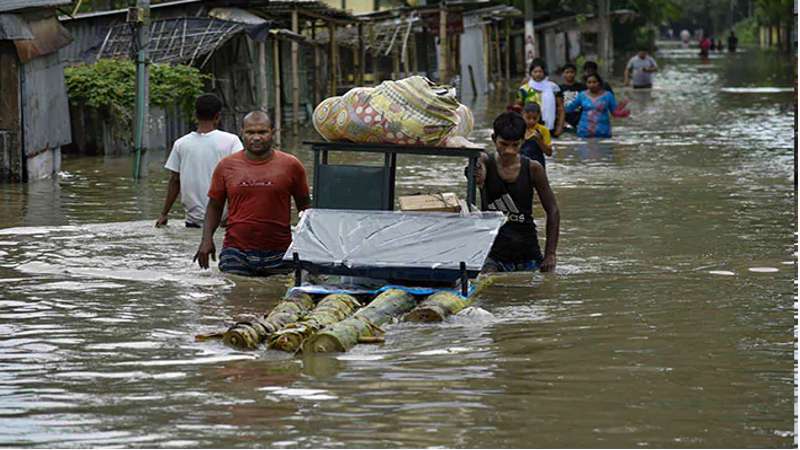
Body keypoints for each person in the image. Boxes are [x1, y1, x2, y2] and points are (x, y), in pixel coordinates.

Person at [194, 111, 311, 276]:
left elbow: (305, 208)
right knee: (235, 296)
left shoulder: (291, 165)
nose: (256, 138)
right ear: (242, 133)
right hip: (236, 252)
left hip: (281, 252)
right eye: (250, 132)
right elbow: (214, 206)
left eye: (262, 132)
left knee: (275, 298)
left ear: (273, 132)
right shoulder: (226, 166)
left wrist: (309, 246)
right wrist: (206, 240)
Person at [475, 112, 559, 273]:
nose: (509, 151)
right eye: (503, 144)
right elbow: (477, 165)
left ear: (523, 141)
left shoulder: (533, 169)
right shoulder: (485, 162)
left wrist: (550, 254)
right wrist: (478, 174)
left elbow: (553, 210)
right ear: (494, 139)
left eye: (515, 145)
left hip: (528, 252)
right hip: (493, 253)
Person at [156, 94, 243, 228]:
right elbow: (240, 179)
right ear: (217, 116)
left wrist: (164, 214)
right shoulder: (232, 141)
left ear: (195, 115)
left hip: (193, 221)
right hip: (224, 221)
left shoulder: (181, 144)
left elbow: (174, 180)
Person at [517, 59, 565, 136]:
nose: (538, 74)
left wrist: (560, 127)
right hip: (529, 126)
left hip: (550, 127)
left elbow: (561, 108)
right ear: (531, 73)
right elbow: (518, 107)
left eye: (540, 72)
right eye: (535, 72)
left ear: (544, 73)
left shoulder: (553, 87)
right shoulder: (524, 89)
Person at [565, 73, 618, 139]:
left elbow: (615, 112)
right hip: (584, 133)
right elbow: (569, 108)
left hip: (603, 133)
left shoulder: (608, 96)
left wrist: (622, 112)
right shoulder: (582, 95)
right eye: (589, 82)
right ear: (586, 84)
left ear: (599, 83)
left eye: (594, 82)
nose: (592, 85)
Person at [520, 102, 552, 168]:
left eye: (535, 118)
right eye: (528, 118)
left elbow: (549, 153)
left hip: (538, 164)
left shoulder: (543, 130)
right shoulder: (518, 128)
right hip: (521, 164)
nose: (531, 121)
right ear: (522, 115)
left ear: (539, 117)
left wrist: (539, 140)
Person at [558, 63, 587, 131]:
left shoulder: (582, 87)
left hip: (580, 119)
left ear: (575, 73)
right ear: (563, 74)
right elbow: (559, 106)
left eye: (572, 72)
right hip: (566, 120)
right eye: (567, 72)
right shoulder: (559, 88)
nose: (569, 74)